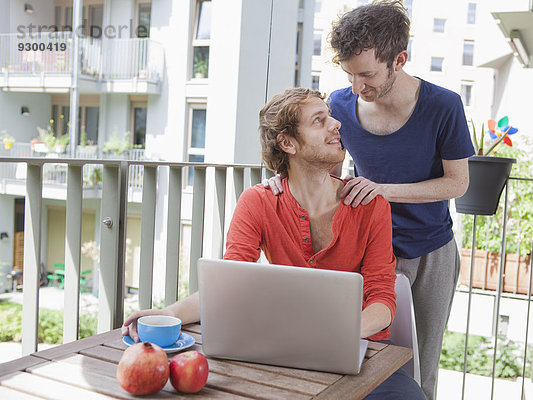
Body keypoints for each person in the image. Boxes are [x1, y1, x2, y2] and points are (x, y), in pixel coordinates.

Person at [122, 88, 425, 399]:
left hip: (359, 346)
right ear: (288, 143)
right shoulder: (258, 202)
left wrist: (335, 336)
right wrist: (167, 314)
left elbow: (382, 301)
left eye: (331, 117)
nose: (336, 125)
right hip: (285, 348)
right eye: (319, 121)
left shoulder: (369, 205)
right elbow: (231, 282)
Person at [264, 2, 474, 399]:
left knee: (419, 370)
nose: (357, 86)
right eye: (349, 74)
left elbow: (457, 183)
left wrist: (382, 190)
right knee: (355, 357)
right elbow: (318, 162)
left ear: (399, 59)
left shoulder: (443, 106)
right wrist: (283, 176)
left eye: (367, 74)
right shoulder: (340, 106)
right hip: (363, 253)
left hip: (430, 253)